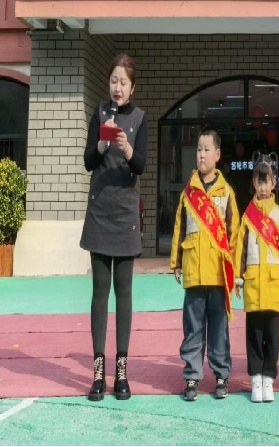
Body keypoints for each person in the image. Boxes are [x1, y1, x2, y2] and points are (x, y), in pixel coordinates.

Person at [80, 54, 147, 401]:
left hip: (125, 216)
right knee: (99, 293)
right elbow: (88, 161)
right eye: (113, 81)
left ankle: (121, 372)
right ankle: (98, 374)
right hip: (100, 213)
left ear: (133, 88)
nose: (117, 87)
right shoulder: (99, 112)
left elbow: (141, 165)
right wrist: (102, 145)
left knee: (124, 293)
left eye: (123, 82)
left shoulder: (140, 118)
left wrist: (128, 148)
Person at [170, 127, 240, 402]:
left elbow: (234, 234)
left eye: (206, 149)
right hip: (194, 271)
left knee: (219, 329)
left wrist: (234, 270)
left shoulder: (227, 192)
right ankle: (192, 376)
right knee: (193, 328)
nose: (201, 154)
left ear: (217, 155)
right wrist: (176, 260)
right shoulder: (188, 193)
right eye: (198, 149)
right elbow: (179, 227)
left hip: (218, 274)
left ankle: (221, 374)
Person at [234, 153, 279, 403]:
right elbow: (240, 248)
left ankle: (269, 377)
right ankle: (255, 378)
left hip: (273, 284)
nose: (262, 187)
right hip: (253, 284)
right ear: (254, 184)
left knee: (271, 333)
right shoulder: (247, 215)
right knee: (254, 335)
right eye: (258, 182)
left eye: (266, 182)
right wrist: (238, 276)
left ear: (273, 184)